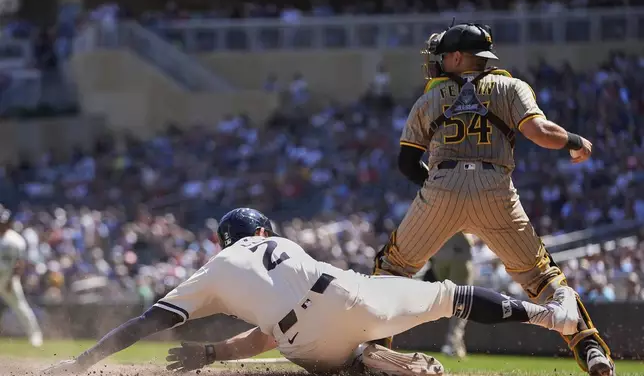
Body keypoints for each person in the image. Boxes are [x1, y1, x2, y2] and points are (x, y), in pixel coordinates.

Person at [43, 208, 580, 376]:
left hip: (304, 341)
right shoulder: (279, 241)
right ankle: (552, 317)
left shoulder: (211, 269)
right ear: (262, 231)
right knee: (450, 295)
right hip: (351, 295)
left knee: (313, 346)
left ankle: (364, 361)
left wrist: (83, 362)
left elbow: (144, 324)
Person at [371, 22, 613, 376]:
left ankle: (375, 355)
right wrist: (575, 141)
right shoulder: (511, 87)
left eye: (442, 56)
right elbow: (540, 133)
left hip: (441, 186)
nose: (436, 62)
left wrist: (440, 190)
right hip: (495, 188)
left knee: (391, 271)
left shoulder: (429, 97)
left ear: (457, 56)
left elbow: (407, 162)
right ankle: (590, 348)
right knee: (544, 278)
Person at [0, 205, 43, 347]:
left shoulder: (15, 240)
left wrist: (11, 280)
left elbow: (20, 263)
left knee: (21, 307)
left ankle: (35, 335)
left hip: (7, 279)